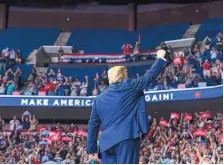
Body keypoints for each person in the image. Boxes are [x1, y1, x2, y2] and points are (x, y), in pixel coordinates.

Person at [87, 50, 167, 164]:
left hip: (106, 144)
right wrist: (160, 58)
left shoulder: (99, 99)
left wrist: (91, 149)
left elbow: (93, 125)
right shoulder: (130, 86)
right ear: (123, 76)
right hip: (126, 138)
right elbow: (149, 76)